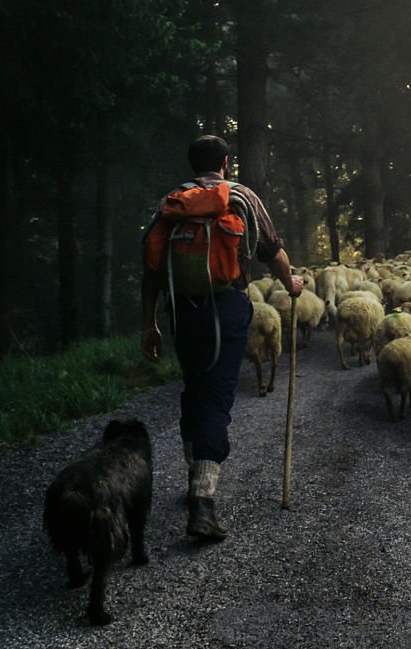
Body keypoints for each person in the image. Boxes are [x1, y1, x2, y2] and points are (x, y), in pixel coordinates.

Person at [140, 135, 302, 540]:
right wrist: (291, 282)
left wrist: (150, 323)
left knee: (194, 388)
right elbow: (272, 250)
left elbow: (152, 268)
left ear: (193, 164)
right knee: (216, 397)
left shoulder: (172, 202)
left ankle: (194, 475)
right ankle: (203, 503)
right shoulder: (242, 197)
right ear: (226, 162)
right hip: (226, 307)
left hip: (183, 310)